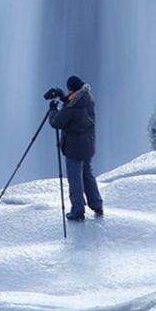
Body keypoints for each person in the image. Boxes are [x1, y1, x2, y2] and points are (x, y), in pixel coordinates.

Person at [48, 75, 103, 221]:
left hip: (74, 148)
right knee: (87, 174)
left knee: (75, 179)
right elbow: (74, 101)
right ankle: (97, 204)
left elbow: (57, 122)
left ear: (72, 89)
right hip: (88, 145)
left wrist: (52, 110)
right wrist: (63, 97)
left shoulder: (72, 108)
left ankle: (77, 211)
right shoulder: (87, 98)